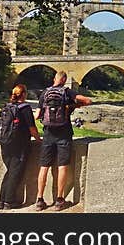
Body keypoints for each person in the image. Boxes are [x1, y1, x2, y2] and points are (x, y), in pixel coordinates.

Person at [34, 71, 93, 211]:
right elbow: (88, 101)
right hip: (64, 134)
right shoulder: (67, 92)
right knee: (62, 166)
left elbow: (37, 116)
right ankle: (60, 200)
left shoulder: (44, 93)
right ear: (64, 80)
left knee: (44, 167)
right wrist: (74, 106)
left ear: (54, 79)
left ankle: (39, 199)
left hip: (48, 133)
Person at [0, 84, 41, 210]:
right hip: (20, 145)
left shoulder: (8, 106)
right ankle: (9, 201)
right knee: (15, 173)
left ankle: (2, 200)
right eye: (26, 92)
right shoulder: (25, 108)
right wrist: (38, 139)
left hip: (5, 143)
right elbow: (32, 128)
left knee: (9, 171)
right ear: (23, 94)